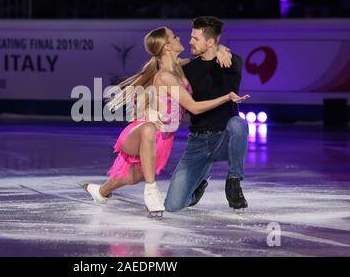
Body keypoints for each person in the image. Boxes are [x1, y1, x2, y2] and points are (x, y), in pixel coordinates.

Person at [82, 26, 250, 218]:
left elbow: (205, 58)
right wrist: (227, 97)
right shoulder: (165, 76)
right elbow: (194, 107)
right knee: (148, 131)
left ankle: (101, 192)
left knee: (133, 176)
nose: (181, 39)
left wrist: (220, 50)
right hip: (144, 130)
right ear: (167, 46)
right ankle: (151, 191)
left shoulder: (180, 67)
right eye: (175, 37)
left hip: (164, 138)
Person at [164, 16, 249, 213]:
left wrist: (221, 50)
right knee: (172, 206)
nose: (190, 41)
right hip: (197, 143)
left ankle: (234, 181)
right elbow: (167, 64)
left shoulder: (233, 62)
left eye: (195, 38)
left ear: (210, 42)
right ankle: (197, 188)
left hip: (224, 139)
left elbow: (226, 56)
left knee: (238, 124)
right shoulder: (188, 69)